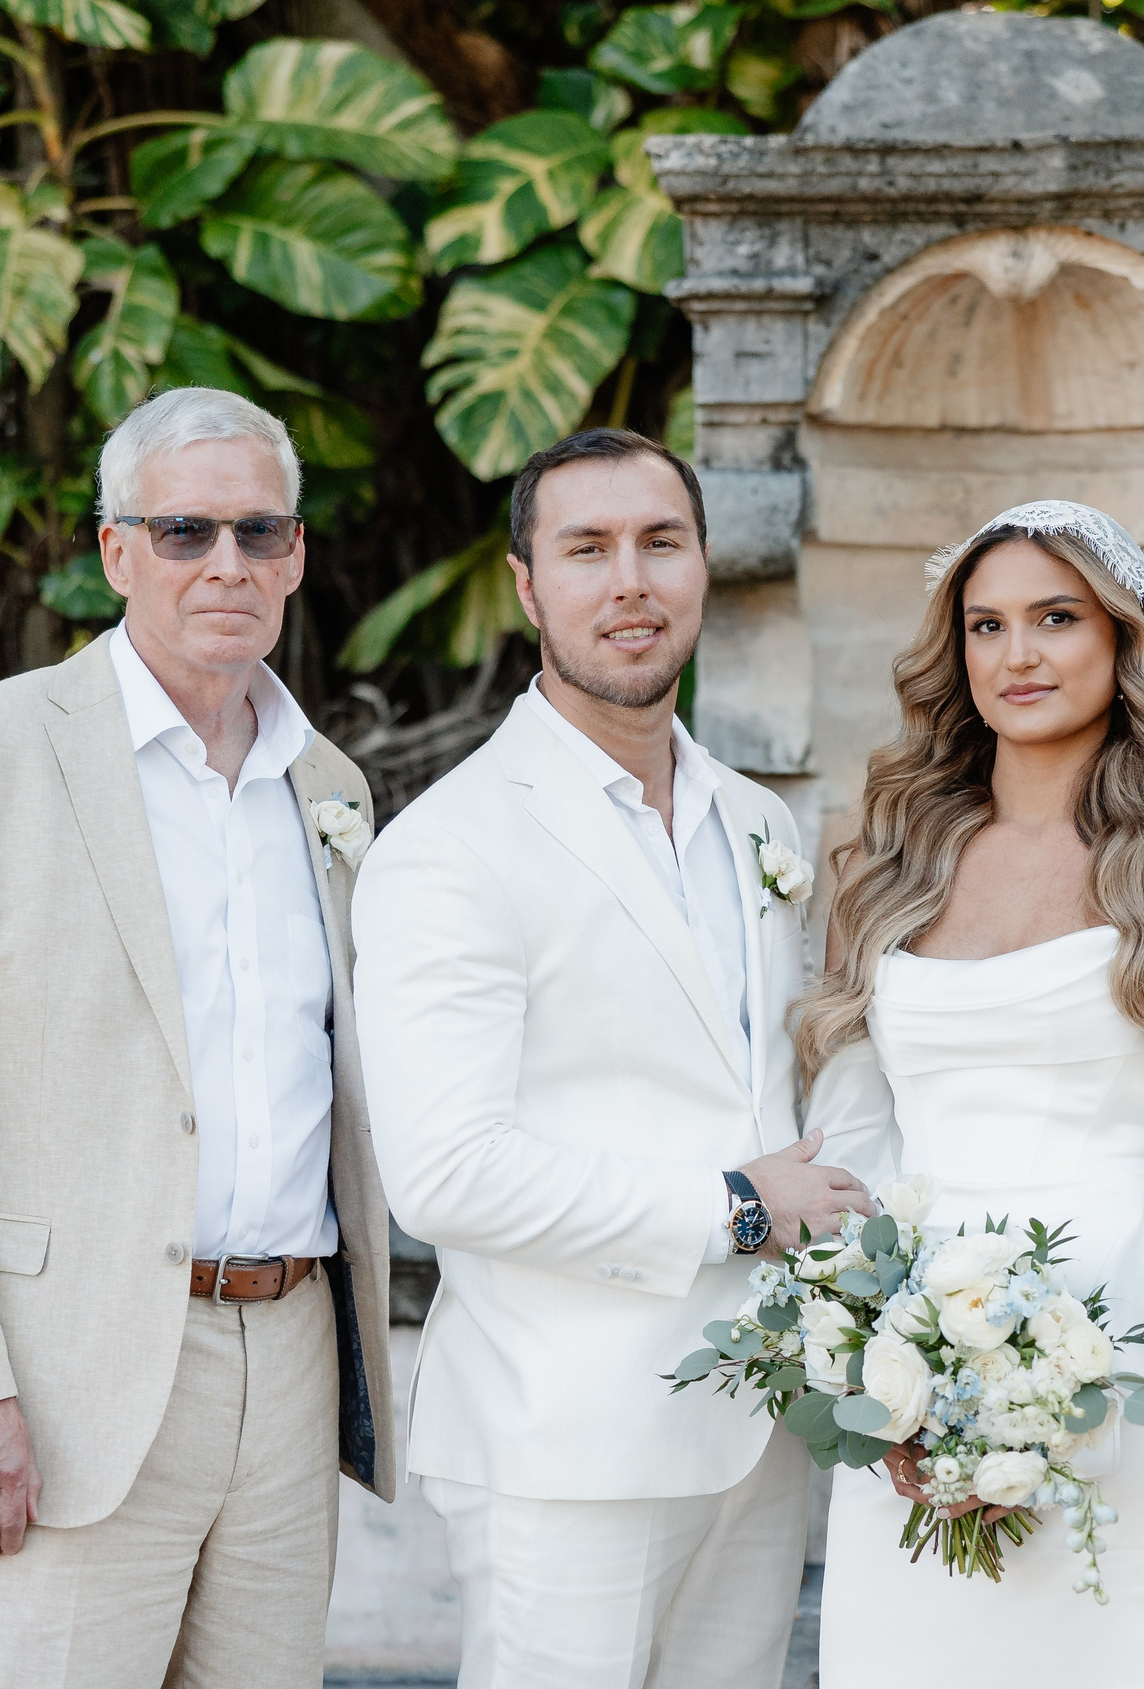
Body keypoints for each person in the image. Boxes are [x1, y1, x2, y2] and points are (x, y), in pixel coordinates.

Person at [0, 385, 396, 1688]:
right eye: (185, 531)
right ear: (114, 551)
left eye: (261, 531)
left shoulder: (331, 787)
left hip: (291, 1353)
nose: (227, 564)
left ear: (298, 554)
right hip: (59, 1372)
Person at [350, 427, 864, 1689]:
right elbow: (447, 1175)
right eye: (588, 549)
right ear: (529, 587)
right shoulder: (451, 847)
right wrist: (739, 1209)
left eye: (660, 544)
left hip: (758, 1426)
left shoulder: (756, 821)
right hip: (565, 1443)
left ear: (701, 568)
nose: (629, 581)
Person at [803, 501, 1144, 1687]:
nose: (1016, 656)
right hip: (913, 1358)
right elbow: (854, 1127)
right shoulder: (886, 855)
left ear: (1122, 641)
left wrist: (1082, 1373)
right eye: (986, 625)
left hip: (1131, 1327)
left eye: (1055, 619)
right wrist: (876, 1354)